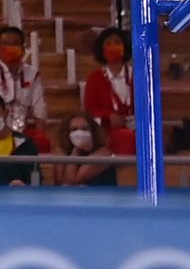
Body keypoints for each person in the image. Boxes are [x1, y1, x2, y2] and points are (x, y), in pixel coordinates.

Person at [82, 27, 137, 155]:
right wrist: (108, 116)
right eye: (108, 44)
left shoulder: (138, 76)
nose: (113, 47)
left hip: (137, 127)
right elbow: (90, 110)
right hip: (107, 130)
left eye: (117, 43)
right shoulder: (95, 78)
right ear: (102, 50)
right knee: (124, 137)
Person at [51, 113, 116, 187]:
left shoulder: (103, 153)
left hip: (101, 196)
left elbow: (71, 181)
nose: (79, 133)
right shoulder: (62, 151)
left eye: (84, 129)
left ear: (93, 132)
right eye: (74, 129)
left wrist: (76, 151)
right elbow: (59, 184)